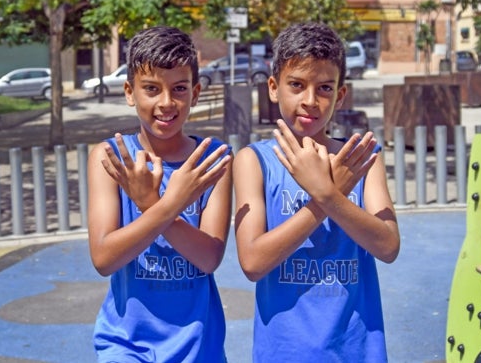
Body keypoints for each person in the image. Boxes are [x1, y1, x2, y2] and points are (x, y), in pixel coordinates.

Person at [232, 22, 400, 362]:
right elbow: (252, 262)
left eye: (324, 88)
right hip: (284, 351)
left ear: (340, 95)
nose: (310, 100)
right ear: (274, 87)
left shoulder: (362, 158)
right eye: (297, 85)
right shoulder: (254, 161)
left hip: (357, 349)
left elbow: (388, 245)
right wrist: (324, 198)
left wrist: (328, 194)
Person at [87, 25, 233, 363]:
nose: (166, 103)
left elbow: (209, 258)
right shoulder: (109, 159)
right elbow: (104, 258)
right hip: (126, 346)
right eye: (151, 89)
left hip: (199, 348)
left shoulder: (214, 160)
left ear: (195, 93)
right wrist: (170, 205)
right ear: (129, 92)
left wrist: (153, 205)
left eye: (179, 89)